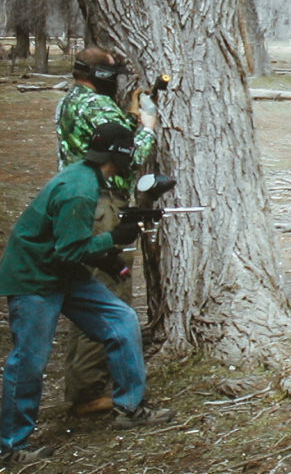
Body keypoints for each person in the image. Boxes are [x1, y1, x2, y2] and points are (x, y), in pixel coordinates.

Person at [0, 122, 176, 464]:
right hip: (34, 277)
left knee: (121, 318)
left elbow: (69, 247)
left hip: (61, 271)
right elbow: (68, 250)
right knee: (30, 361)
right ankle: (10, 446)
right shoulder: (79, 189)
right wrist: (114, 239)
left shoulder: (87, 175)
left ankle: (129, 407)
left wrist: (108, 259)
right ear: (120, 155)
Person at [55, 46, 157, 417]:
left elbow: (103, 143)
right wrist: (147, 127)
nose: (115, 81)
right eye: (112, 74)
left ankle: (87, 383)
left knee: (90, 294)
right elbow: (128, 155)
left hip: (83, 202)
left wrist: (126, 120)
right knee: (105, 297)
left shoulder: (71, 101)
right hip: (102, 205)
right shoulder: (96, 105)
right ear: (99, 75)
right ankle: (88, 394)